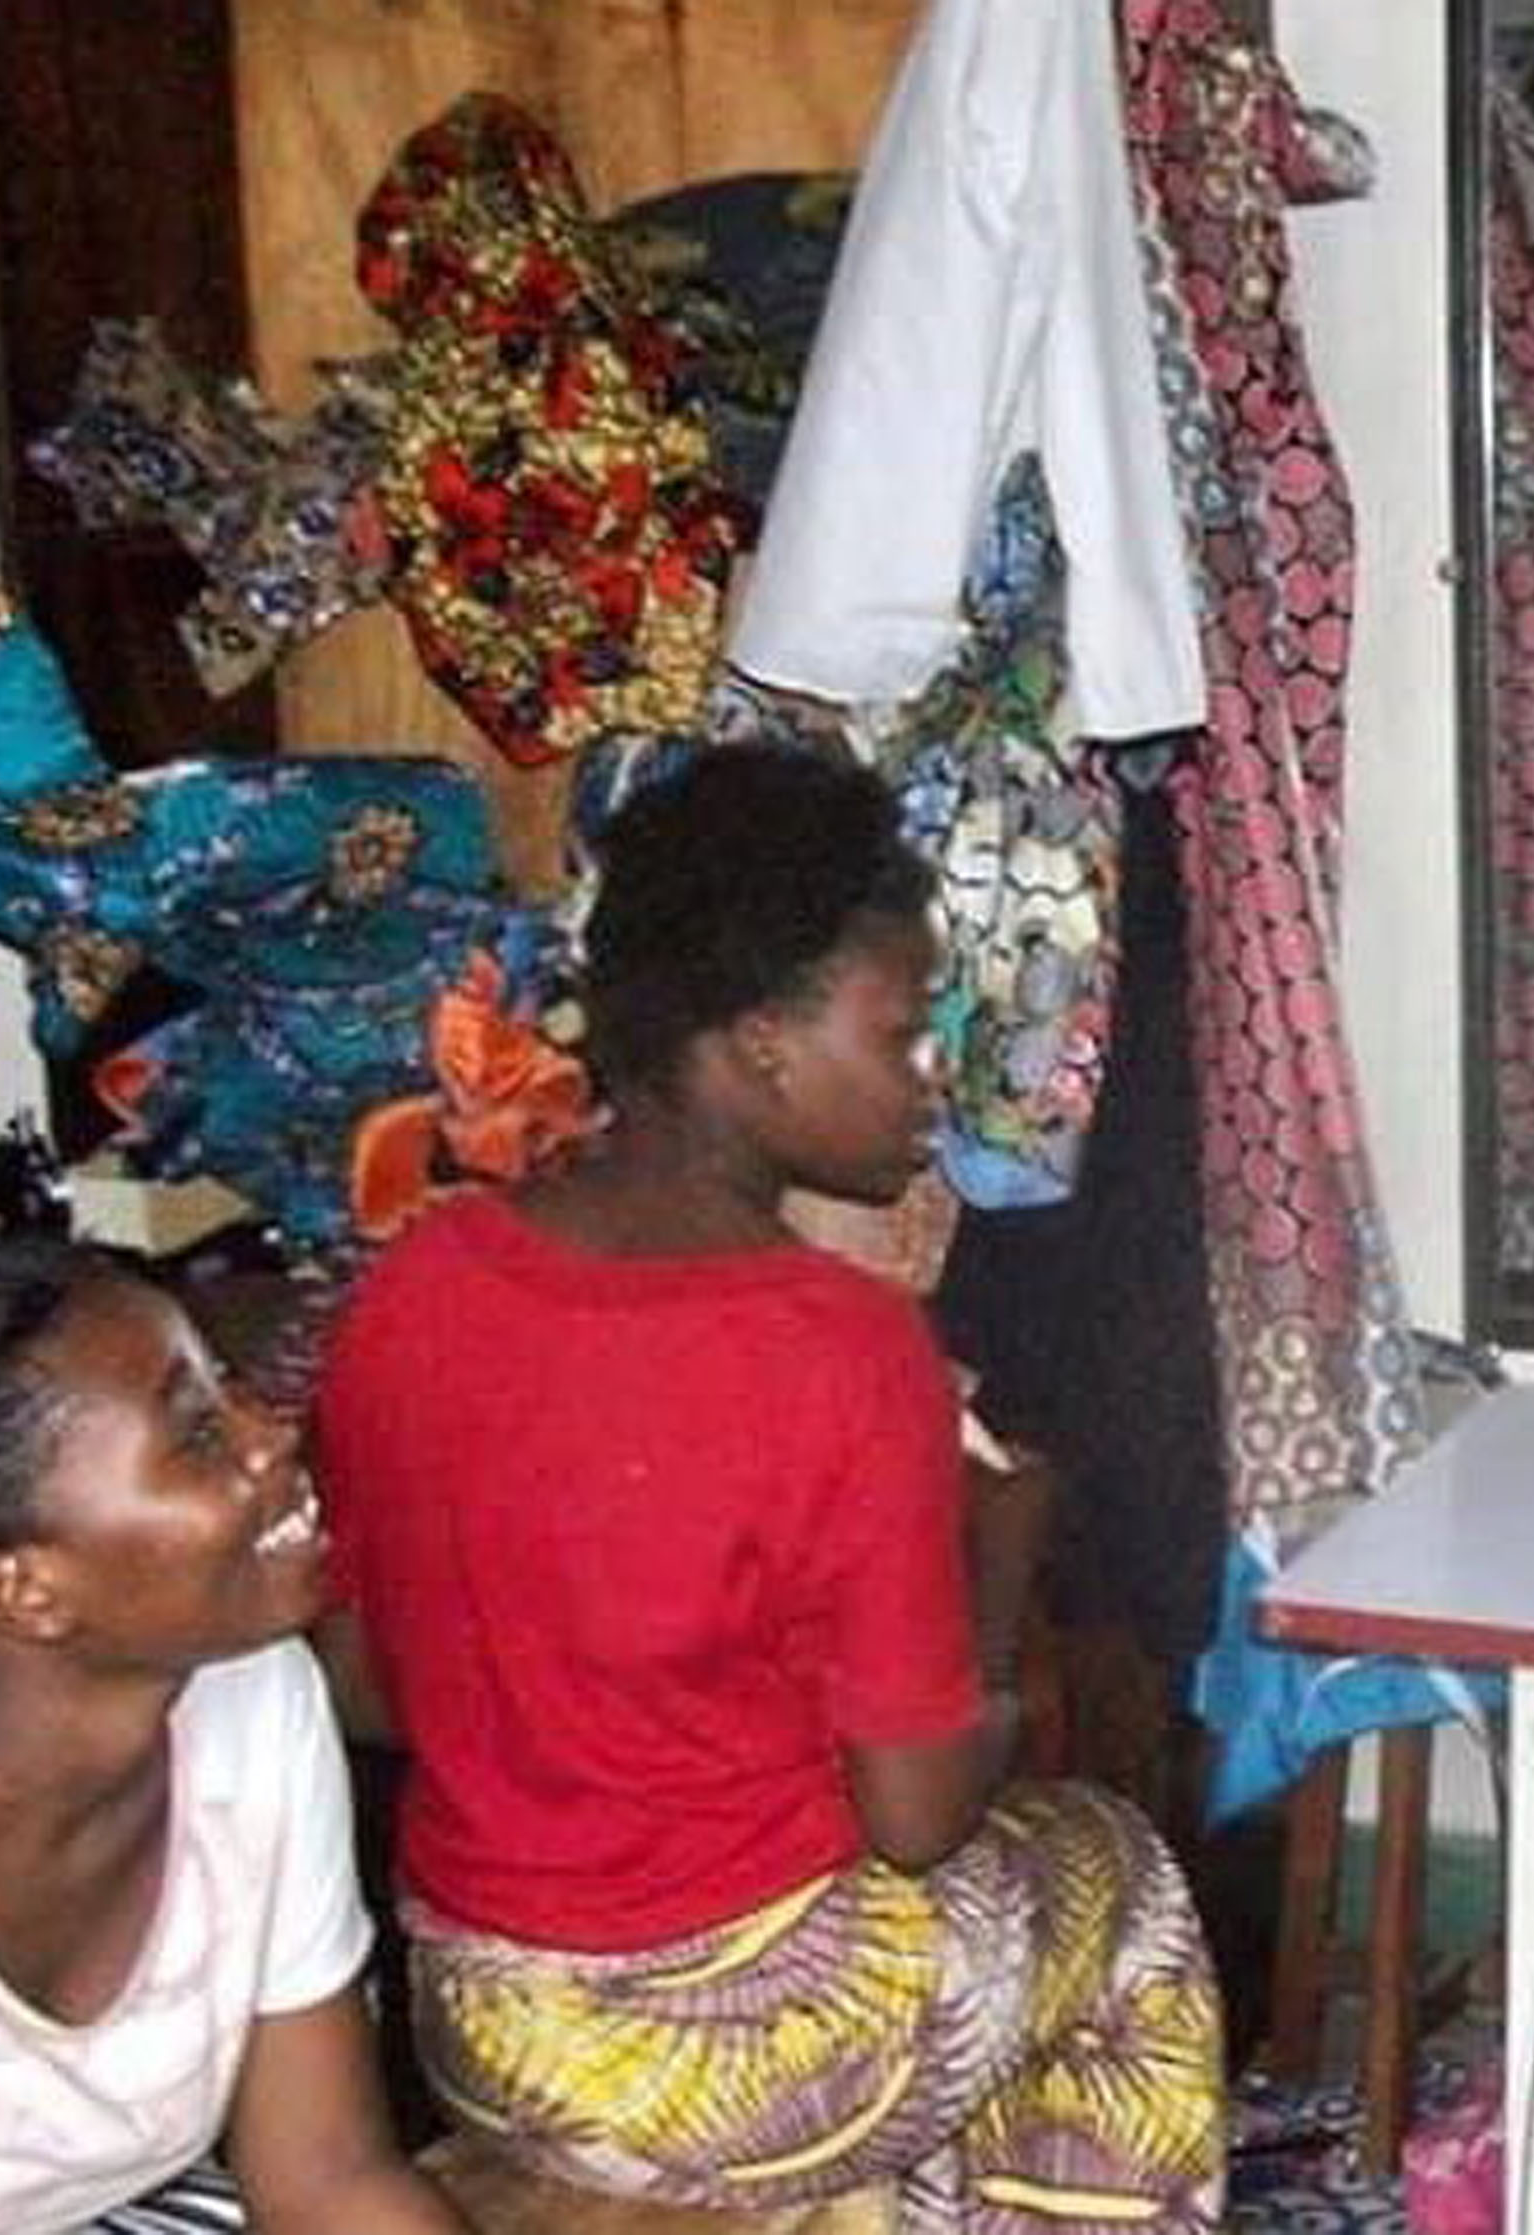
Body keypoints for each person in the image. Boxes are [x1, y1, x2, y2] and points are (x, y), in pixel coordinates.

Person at [311, 748, 1226, 2228]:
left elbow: (369, 1682)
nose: (938, 1074)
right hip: (713, 2047)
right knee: (1115, 1884)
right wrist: (999, 1545)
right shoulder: (840, 1344)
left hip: (471, 2009)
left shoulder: (417, 1278)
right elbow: (920, 1812)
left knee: (938, 1962)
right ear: (756, 1045)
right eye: (906, 1027)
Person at [0, 1234, 470, 2235]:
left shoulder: (251, 1701)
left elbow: (326, 2180)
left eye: (227, 1384)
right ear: (21, 1587)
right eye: (196, 1431)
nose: (271, 1435)